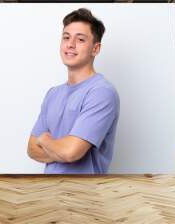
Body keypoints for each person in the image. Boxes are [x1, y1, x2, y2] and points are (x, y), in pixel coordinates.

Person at [27, 8, 120, 174]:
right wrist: (59, 149)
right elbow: (31, 149)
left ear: (95, 49)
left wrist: (44, 140)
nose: (70, 44)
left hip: (82, 195)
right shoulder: (53, 94)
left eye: (81, 39)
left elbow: (71, 152)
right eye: (66, 37)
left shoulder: (102, 92)